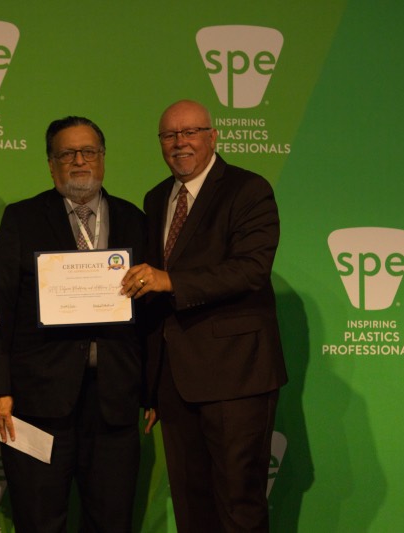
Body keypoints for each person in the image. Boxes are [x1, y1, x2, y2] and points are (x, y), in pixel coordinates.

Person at [121, 100, 288, 532]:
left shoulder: (248, 190)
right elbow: (153, 300)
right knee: (190, 506)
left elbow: (250, 269)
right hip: (176, 383)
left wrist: (171, 280)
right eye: (169, 135)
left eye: (190, 132)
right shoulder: (157, 197)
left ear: (213, 136)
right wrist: (152, 386)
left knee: (238, 504)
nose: (180, 142)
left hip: (236, 377)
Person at [0, 116, 147, 532]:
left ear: (103, 158)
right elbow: (0, 306)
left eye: (88, 151)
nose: (79, 161)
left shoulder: (134, 219)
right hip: (37, 400)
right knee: (38, 519)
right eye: (67, 153)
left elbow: (152, 314)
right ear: (50, 164)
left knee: (112, 521)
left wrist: (152, 389)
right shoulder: (22, 218)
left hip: (114, 399)